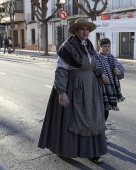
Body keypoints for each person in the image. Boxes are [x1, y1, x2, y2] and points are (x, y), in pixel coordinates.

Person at [38, 18, 109, 163]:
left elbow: (93, 65)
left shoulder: (89, 45)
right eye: (82, 29)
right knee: (73, 119)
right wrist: (62, 92)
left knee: (93, 118)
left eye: (87, 29)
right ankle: (66, 149)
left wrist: (101, 74)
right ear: (75, 31)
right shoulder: (67, 47)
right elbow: (61, 70)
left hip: (91, 88)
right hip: (73, 86)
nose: (85, 32)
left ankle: (92, 152)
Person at [96, 38, 125, 123]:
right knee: (100, 112)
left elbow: (122, 74)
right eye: (104, 46)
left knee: (106, 111)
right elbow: (94, 70)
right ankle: (99, 132)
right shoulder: (96, 58)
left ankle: (101, 131)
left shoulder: (113, 59)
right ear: (99, 48)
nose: (107, 48)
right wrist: (101, 75)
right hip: (100, 90)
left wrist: (119, 72)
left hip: (110, 90)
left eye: (108, 46)